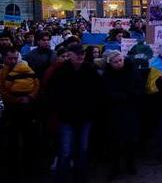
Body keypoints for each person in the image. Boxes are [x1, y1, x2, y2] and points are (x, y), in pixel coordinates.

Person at [46, 44, 104, 183]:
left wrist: (92, 110)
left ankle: (81, 178)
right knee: (66, 151)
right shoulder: (60, 72)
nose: (80, 55)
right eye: (77, 53)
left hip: (85, 118)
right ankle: (62, 178)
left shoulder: (90, 70)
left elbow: (99, 92)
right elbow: (52, 93)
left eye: (82, 53)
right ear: (70, 54)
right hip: (66, 118)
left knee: (83, 150)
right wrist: (60, 109)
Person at [0, 47, 39, 179]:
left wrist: (30, 97)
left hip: (28, 110)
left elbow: (36, 84)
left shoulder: (26, 68)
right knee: (12, 141)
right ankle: (13, 170)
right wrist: (15, 99)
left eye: (15, 58)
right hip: (11, 110)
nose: (13, 60)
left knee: (29, 140)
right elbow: (3, 91)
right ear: (4, 58)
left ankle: (29, 168)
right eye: (10, 58)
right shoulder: (2, 73)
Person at [102, 50, 142, 179]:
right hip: (114, 112)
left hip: (130, 110)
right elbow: (105, 92)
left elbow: (139, 86)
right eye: (116, 62)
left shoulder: (132, 70)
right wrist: (119, 97)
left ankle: (130, 164)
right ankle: (115, 167)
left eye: (120, 60)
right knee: (115, 141)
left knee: (131, 140)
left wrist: (132, 96)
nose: (119, 63)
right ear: (110, 63)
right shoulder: (107, 74)